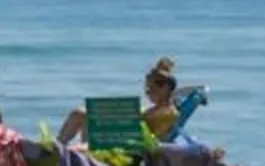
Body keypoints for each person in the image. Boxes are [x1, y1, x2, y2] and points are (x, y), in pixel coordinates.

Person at [59, 57, 192, 145]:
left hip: (127, 142)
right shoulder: (159, 108)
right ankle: (59, 146)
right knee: (81, 114)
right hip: (123, 135)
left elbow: (155, 140)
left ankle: (59, 148)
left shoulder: (168, 113)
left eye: (151, 88)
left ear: (165, 88)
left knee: (81, 115)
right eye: (146, 87)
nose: (147, 92)